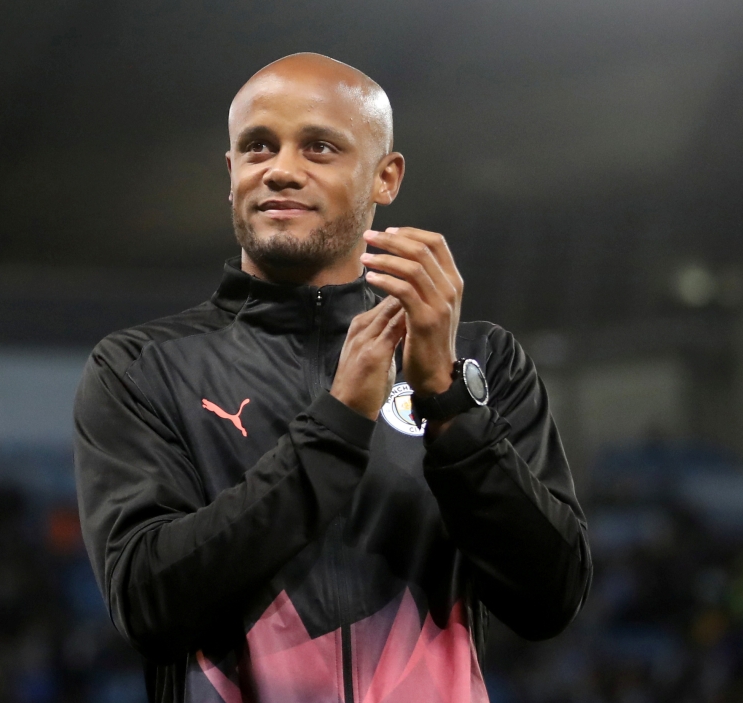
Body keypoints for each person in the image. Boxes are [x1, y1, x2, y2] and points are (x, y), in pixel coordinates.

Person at [74, 53, 592, 703]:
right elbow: (149, 605)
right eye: (258, 146)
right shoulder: (142, 367)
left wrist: (449, 403)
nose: (281, 169)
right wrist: (338, 423)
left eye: (319, 147)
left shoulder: (483, 360)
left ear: (386, 176)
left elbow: (550, 599)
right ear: (232, 173)